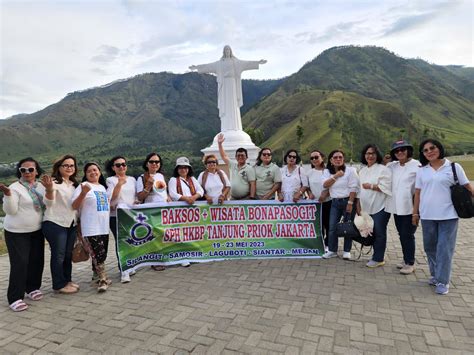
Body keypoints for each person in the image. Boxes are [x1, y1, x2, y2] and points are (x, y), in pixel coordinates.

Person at [413, 139, 473, 295]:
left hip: (449, 215)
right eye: (425, 150)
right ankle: (435, 274)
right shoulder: (422, 170)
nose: (429, 152)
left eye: (432, 148)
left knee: (444, 249)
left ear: (439, 148)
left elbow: (467, 186)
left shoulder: (453, 167)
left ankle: (443, 280)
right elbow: (418, 193)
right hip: (427, 215)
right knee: (430, 247)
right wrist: (415, 212)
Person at [1, 158, 45, 312]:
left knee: (36, 260)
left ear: (36, 171)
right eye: (23, 170)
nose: (27, 172)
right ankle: (15, 297)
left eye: (30, 169)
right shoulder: (14, 187)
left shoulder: (41, 186)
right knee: (20, 263)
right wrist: (7, 195)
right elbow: (11, 210)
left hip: (37, 229)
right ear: (19, 171)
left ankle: (32, 287)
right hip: (17, 232)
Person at [189, 45, 267, 131]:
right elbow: (208, 66)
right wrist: (197, 67)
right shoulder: (219, 63)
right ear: (223, 52)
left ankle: (235, 127)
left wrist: (258, 62)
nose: (227, 51)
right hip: (224, 86)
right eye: (225, 50)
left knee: (233, 104)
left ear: (231, 51)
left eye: (228, 50)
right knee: (226, 105)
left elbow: (247, 63)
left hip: (233, 85)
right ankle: (226, 127)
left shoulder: (235, 62)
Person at [41, 155, 80, 294]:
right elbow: (48, 203)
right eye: (66, 165)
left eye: (72, 165)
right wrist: (49, 189)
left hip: (71, 223)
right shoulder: (53, 183)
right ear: (59, 167)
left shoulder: (75, 185)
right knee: (59, 255)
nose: (69, 168)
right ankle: (58, 284)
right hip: (55, 223)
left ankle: (67, 280)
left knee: (68, 254)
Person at [72, 162, 110, 292]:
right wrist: (83, 193)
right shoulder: (83, 186)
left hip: (104, 226)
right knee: (98, 253)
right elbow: (74, 206)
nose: (93, 172)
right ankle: (103, 279)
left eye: (95, 170)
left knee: (102, 253)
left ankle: (95, 276)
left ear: (99, 171)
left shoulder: (102, 187)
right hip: (90, 227)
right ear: (85, 174)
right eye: (89, 171)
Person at [384, 140, 420, 274]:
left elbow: (419, 189)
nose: (400, 152)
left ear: (408, 150)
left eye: (403, 149)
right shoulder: (392, 166)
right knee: (402, 234)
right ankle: (406, 259)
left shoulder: (417, 165)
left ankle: (410, 263)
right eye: (397, 151)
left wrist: (416, 211)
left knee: (408, 234)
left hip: (410, 207)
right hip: (396, 207)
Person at [357, 144, 392, 268]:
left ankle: (378, 258)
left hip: (381, 207)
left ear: (377, 155)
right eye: (367, 153)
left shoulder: (383, 169)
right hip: (365, 207)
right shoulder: (362, 170)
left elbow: (387, 187)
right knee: (368, 231)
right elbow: (358, 190)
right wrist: (358, 207)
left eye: (372, 153)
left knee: (379, 231)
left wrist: (371, 186)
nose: (370, 156)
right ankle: (375, 254)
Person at [321, 150, 359, 260]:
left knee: (348, 226)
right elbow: (325, 185)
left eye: (340, 157)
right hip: (335, 202)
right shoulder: (327, 172)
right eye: (335, 157)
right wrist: (336, 175)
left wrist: (351, 203)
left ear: (343, 159)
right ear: (331, 160)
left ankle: (347, 251)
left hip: (348, 200)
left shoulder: (350, 170)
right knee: (332, 227)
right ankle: (332, 250)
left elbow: (354, 187)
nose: (338, 159)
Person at [105, 156, 137, 283]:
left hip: (131, 214)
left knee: (131, 240)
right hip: (116, 216)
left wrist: (137, 200)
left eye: (123, 164)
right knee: (121, 242)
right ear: (113, 168)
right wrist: (119, 184)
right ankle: (124, 269)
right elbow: (112, 199)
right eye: (118, 165)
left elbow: (134, 195)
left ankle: (131, 264)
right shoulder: (110, 180)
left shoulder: (133, 180)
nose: (121, 167)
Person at [217, 133, 256, 199]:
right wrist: (220, 144)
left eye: (242, 155)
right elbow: (224, 156)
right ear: (235, 157)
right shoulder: (232, 165)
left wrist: (251, 198)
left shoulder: (250, 169)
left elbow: (253, 184)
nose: (240, 157)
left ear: (246, 157)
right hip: (233, 199)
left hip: (245, 199)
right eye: (238, 155)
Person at [307, 150, 331, 252]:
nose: (314, 160)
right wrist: (309, 193)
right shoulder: (309, 173)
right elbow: (306, 186)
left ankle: (328, 244)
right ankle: (319, 243)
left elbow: (334, 185)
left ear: (322, 157)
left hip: (328, 202)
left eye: (316, 157)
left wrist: (326, 194)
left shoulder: (329, 171)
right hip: (315, 204)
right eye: (312, 158)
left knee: (329, 224)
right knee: (318, 225)